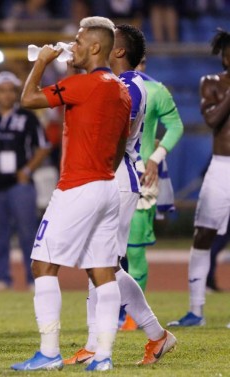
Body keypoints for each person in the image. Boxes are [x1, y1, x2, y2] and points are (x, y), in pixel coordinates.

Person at [10, 16, 131, 372]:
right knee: (103, 271)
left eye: (78, 42)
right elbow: (121, 144)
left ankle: (49, 353)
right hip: (108, 185)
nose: (71, 47)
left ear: (95, 47)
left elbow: (29, 98)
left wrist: (42, 63)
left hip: (78, 186)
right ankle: (103, 356)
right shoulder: (121, 89)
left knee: (43, 264)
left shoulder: (83, 83)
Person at [64, 24, 177, 367]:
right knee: (100, 265)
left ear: (117, 51)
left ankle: (116, 343)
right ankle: (153, 336)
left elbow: (109, 133)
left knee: (102, 265)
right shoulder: (111, 83)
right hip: (106, 177)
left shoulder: (128, 86)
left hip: (117, 178)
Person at [168, 28, 230, 327]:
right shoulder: (212, 83)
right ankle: (196, 310)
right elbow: (212, 119)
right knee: (203, 235)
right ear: (224, 54)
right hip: (221, 167)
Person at [120, 55, 184, 330]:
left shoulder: (156, 89)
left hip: (142, 176)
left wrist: (156, 158)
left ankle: (134, 316)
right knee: (108, 251)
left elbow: (176, 126)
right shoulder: (106, 84)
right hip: (108, 175)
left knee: (133, 250)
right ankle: (111, 311)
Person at [0, 71, 51, 291]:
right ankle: (2, 278)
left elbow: (44, 146)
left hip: (20, 184)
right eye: (2, 90)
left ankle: (33, 279)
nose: (7, 95)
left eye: (11, 90)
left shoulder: (28, 117)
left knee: (27, 232)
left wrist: (28, 170)